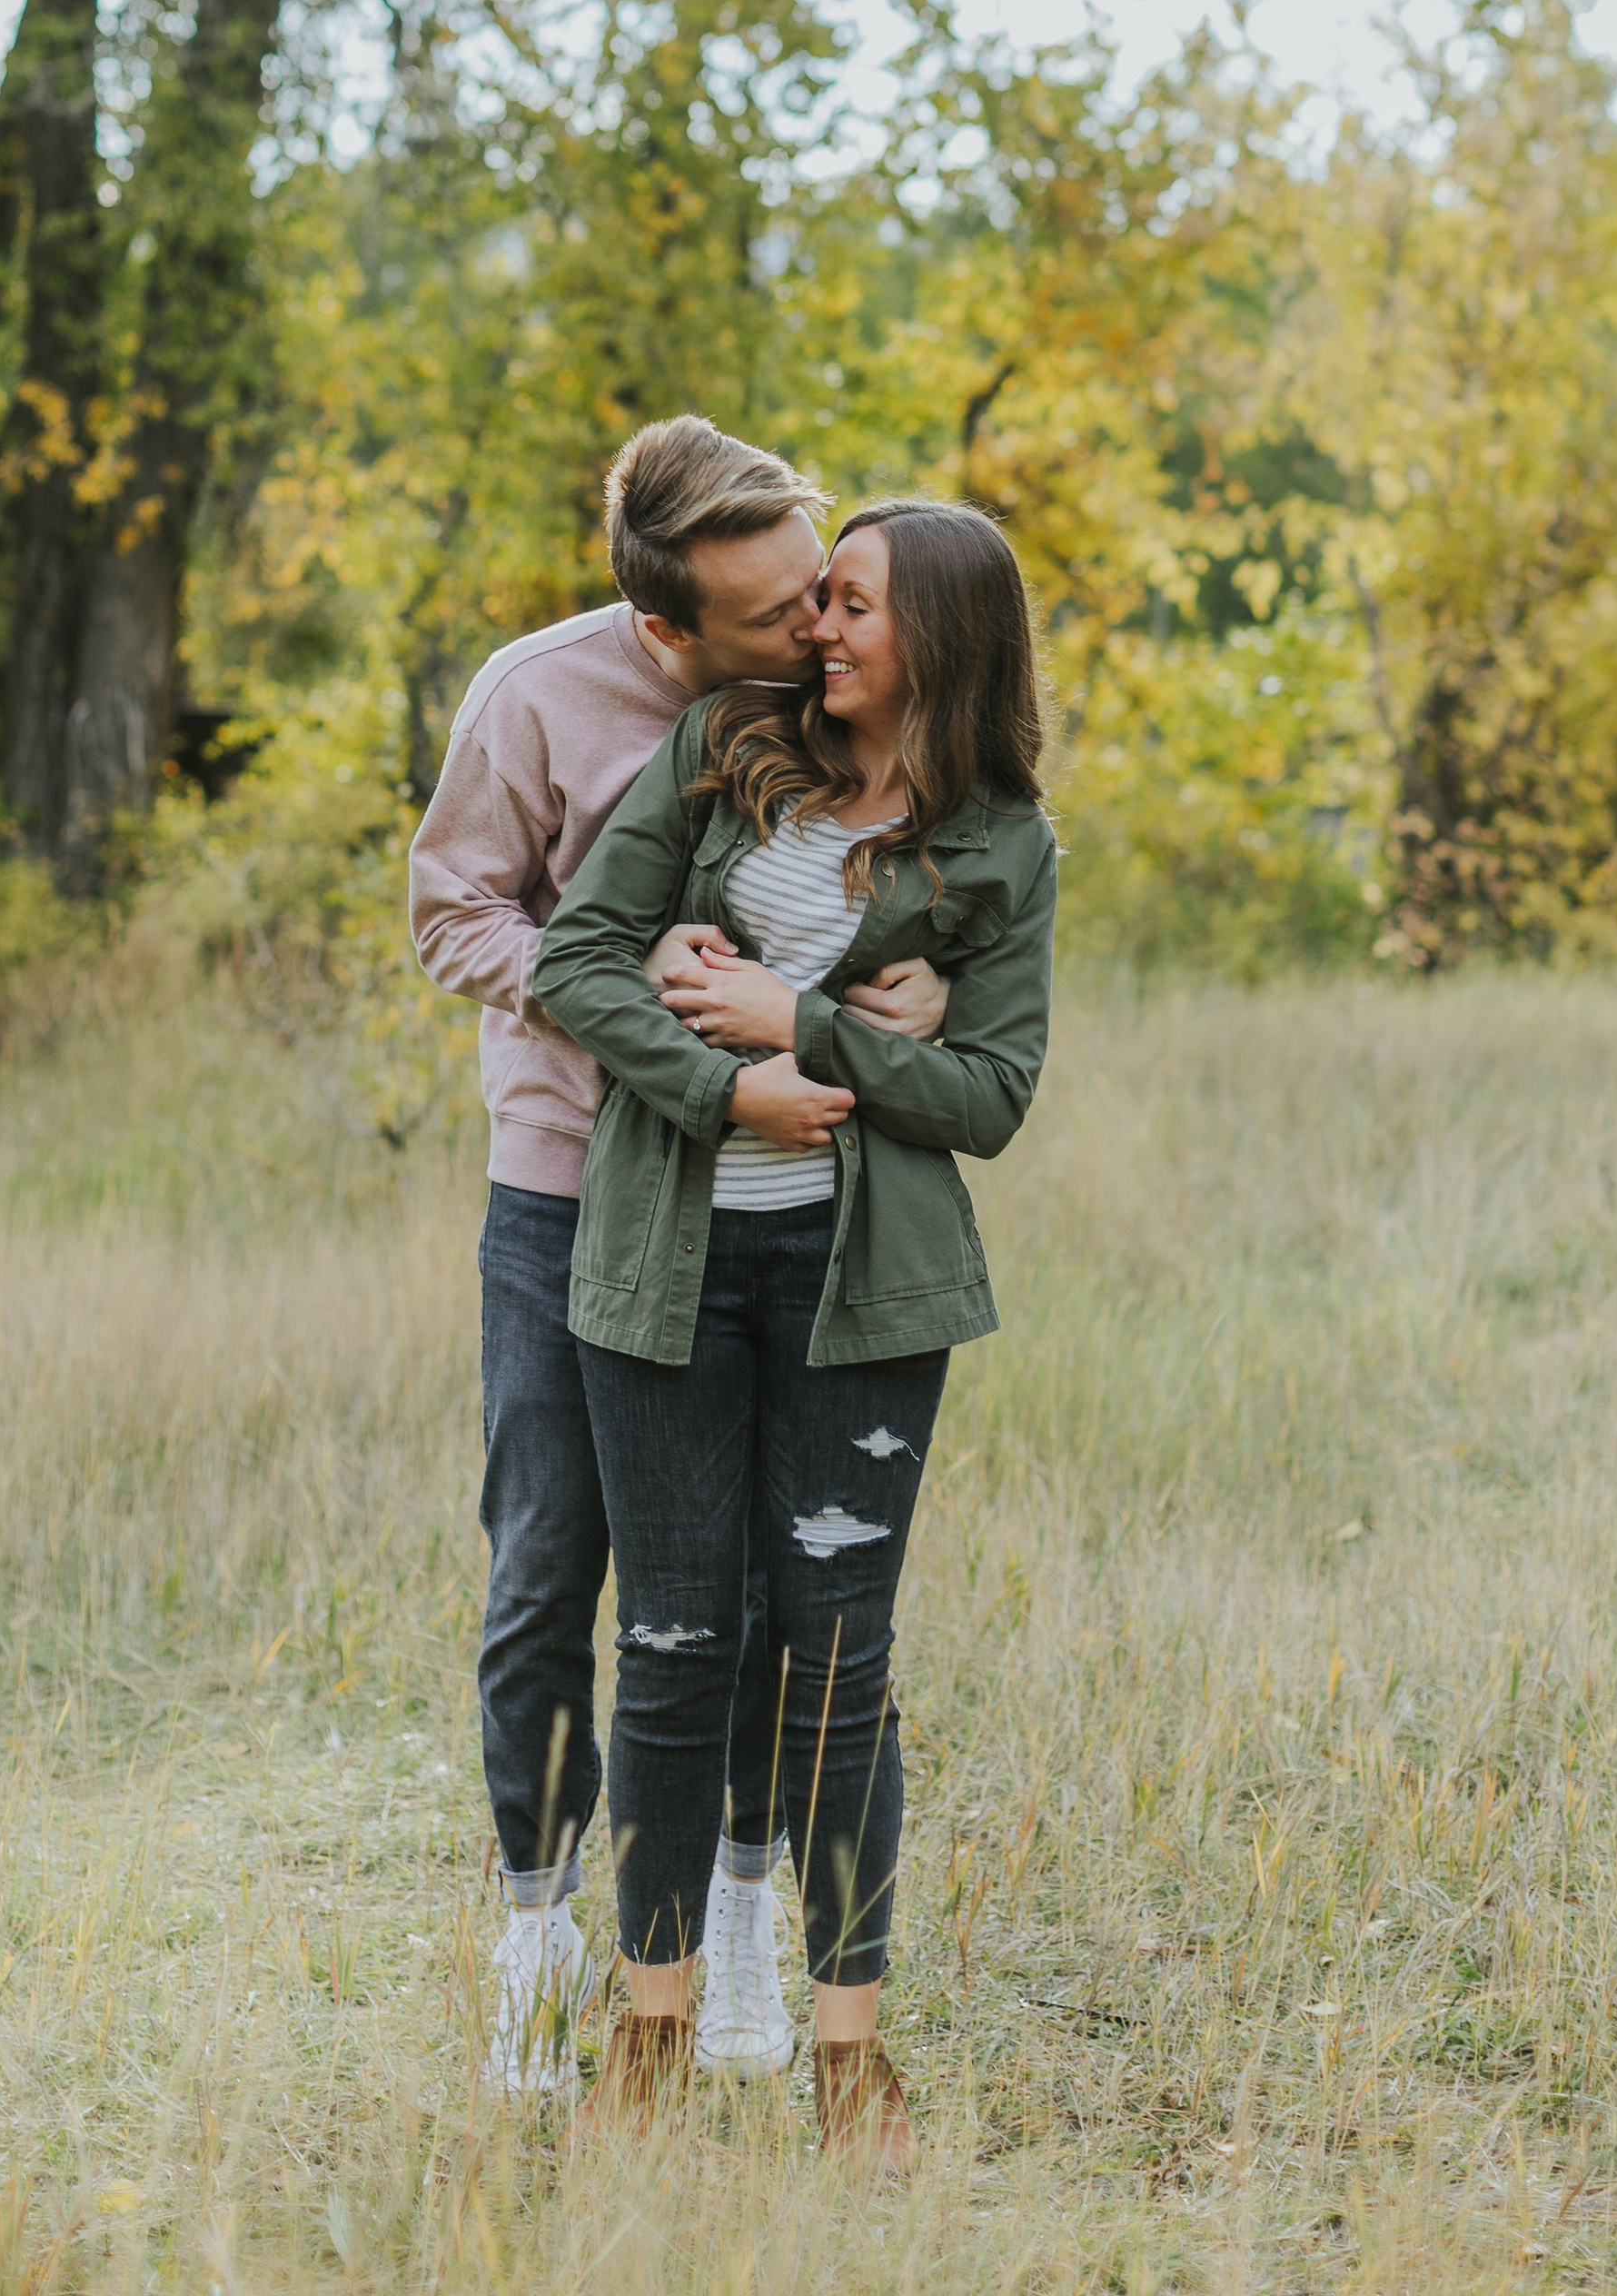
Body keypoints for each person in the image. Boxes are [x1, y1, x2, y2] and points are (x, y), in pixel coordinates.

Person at [409, 421, 952, 2095]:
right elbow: (453, 913)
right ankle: (536, 1928)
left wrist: (917, 980)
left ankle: (729, 1914)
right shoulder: (538, 696)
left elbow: (955, 852)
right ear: (670, 634)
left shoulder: (838, 688)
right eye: (776, 612)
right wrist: (628, 975)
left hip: (772, 1200)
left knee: (738, 1601)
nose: (818, 629)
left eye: (818, 586)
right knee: (551, 1563)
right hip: (574, 1186)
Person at [531, 499, 1057, 2163]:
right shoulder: (716, 752)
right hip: (666, 1279)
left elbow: (992, 1096)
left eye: (853, 606)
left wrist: (806, 1017)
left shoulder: (1000, 842)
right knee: (676, 1651)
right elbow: (578, 959)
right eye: (818, 599)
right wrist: (729, 1078)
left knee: (840, 1665)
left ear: (945, 640)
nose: (816, 630)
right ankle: (652, 2024)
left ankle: (849, 2058)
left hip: (862, 1300)